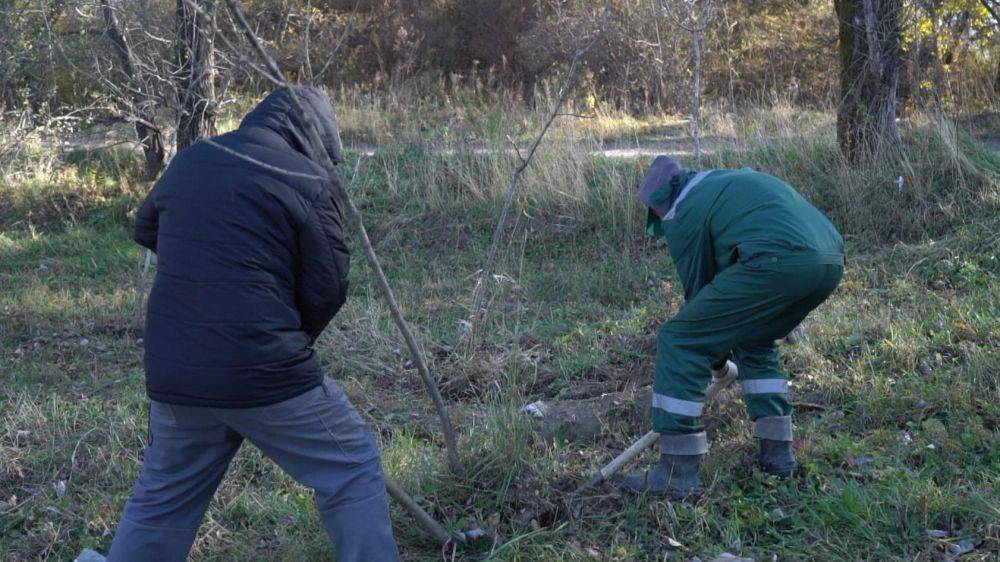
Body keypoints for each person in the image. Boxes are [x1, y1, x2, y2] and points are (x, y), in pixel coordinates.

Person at [107, 86, 400, 561]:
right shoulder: (305, 177)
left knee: (162, 501)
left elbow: (146, 227)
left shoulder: (193, 159)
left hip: (175, 371)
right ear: (315, 138)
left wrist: (202, 276)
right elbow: (328, 285)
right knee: (351, 465)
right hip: (266, 369)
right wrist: (284, 337)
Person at [622, 156, 844, 500]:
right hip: (830, 259)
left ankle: (677, 473)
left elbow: (698, 295)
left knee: (680, 340)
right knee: (755, 339)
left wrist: (714, 360)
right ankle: (778, 456)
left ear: (663, 201)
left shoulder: (684, 208)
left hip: (776, 259)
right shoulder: (721, 183)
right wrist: (722, 355)